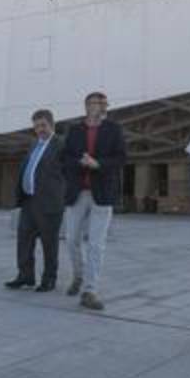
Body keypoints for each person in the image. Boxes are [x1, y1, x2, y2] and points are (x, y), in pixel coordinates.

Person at [62, 91, 126, 311]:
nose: (95, 106)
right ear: (86, 106)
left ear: (105, 106)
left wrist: (98, 164)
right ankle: (78, 275)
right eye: (91, 102)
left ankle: (90, 290)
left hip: (102, 193)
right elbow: (64, 157)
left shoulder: (113, 129)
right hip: (77, 192)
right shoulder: (74, 130)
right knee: (71, 239)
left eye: (99, 103)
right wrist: (80, 162)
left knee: (96, 244)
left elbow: (121, 158)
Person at [6, 109, 66, 292]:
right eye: (36, 126)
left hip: (49, 203)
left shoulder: (61, 144)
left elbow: (69, 173)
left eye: (43, 125)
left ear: (51, 124)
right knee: (24, 239)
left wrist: (64, 197)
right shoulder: (34, 144)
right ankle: (25, 276)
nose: (39, 129)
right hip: (29, 202)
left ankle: (49, 279)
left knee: (49, 243)